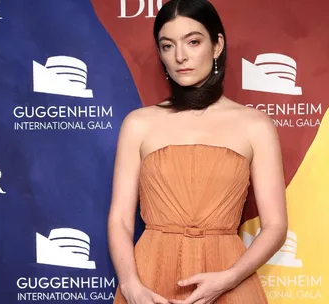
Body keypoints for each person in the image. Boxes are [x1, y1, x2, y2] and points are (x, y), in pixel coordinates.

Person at [108, 0, 288, 303]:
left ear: (217, 45)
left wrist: (228, 279)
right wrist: (130, 285)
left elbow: (276, 225)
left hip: (229, 278)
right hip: (149, 281)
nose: (180, 56)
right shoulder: (138, 124)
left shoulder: (255, 125)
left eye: (193, 41)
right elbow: (120, 220)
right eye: (167, 46)